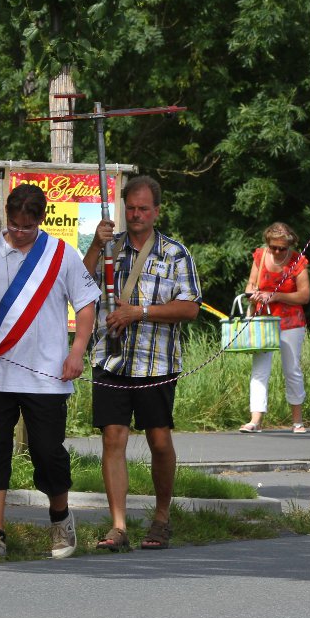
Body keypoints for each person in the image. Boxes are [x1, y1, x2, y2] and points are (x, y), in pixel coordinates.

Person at [0, 183, 98, 559]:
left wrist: (77, 351)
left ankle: (61, 523)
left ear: (41, 220)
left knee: (48, 452)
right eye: (14, 225)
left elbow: (85, 306)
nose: (19, 233)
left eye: (27, 228)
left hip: (48, 377)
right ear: (7, 216)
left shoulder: (62, 255)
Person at [84, 176, 202, 551]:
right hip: (111, 358)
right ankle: (118, 525)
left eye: (143, 209)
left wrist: (141, 312)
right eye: (130, 208)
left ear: (156, 211)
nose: (135, 215)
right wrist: (93, 244)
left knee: (159, 440)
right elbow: (78, 284)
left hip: (156, 362)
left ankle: (162, 516)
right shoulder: (109, 249)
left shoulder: (174, 253)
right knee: (113, 438)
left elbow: (190, 307)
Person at [239, 222, 310, 434]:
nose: (278, 252)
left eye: (282, 248)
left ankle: (297, 420)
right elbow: (250, 285)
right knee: (260, 369)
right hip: (263, 320)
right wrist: (254, 293)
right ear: (267, 244)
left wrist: (276, 296)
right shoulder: (260, 256)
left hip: (290, 322)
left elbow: (304, 295)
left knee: (292, 369)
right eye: (274, 247)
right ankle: (256, 420)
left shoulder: (297, 261)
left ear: (290, 245)